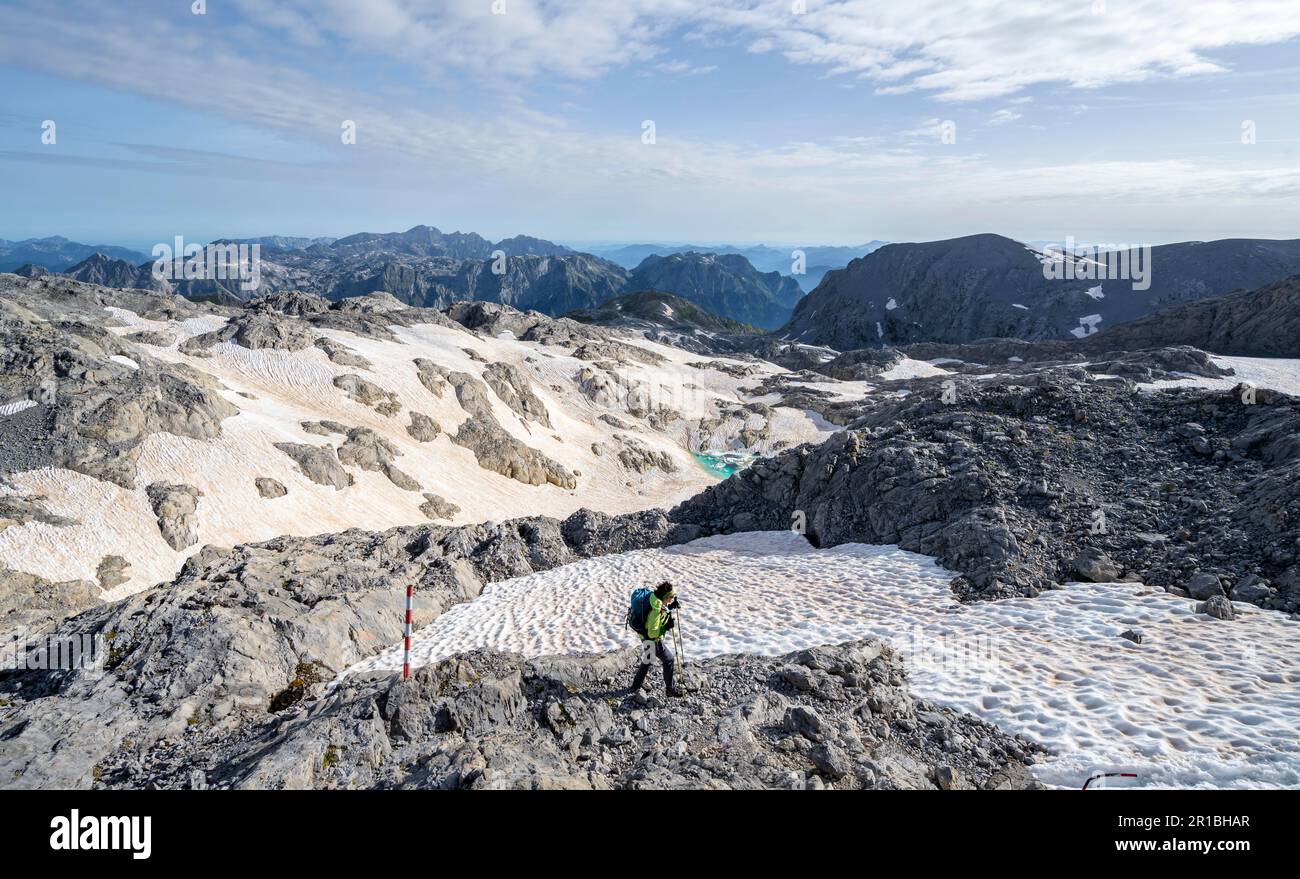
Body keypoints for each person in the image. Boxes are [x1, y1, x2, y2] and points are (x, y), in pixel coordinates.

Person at [631, 581, 683, 697]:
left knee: (649, 659)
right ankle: (670, 689)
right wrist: (666, 627)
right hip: (652, 639)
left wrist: (670, 606)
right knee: (669, 659)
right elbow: (652, 632)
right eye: (671, 597)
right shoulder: (655, 610)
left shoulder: (655, 599)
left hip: (644, 636)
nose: (672, 598)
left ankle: (636, 685)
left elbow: (661, 609)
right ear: (664, 597)